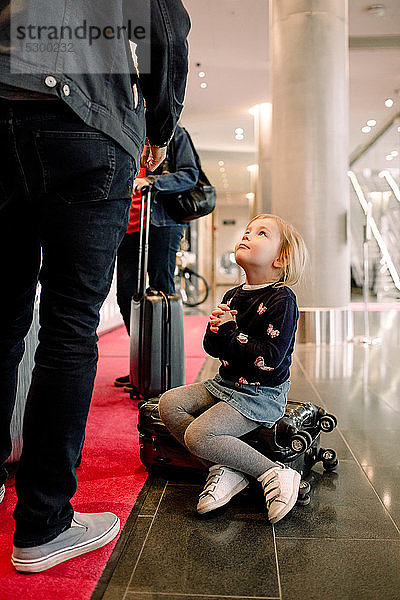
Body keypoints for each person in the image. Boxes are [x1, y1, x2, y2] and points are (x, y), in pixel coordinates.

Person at [0, 0, 190, 573]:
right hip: (86, 123)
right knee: (69, 329)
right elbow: (164, 24)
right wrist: (159, 124)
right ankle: (43, 522)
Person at [159, 214, 308, 524]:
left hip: (259, 394)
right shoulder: (232, 295)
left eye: (261, 233)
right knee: (169, 403)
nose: (248, 235)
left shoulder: (282, 299)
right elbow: (213, 349)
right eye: (248, 230)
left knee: (200, 436)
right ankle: (225, 467)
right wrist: (216, 331)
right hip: (225, 385)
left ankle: (273, 473)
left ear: (280, 259)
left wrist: (230, 332)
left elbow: (269, 358)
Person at [114, 124, 199, 390]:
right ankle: (143, 364)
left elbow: (190, 174)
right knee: (126, 294)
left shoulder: (173, 133)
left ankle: (165, 367)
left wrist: (151, 182)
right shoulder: (123, 124)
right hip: (127, 225)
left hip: (161, 222)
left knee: (162, 289)